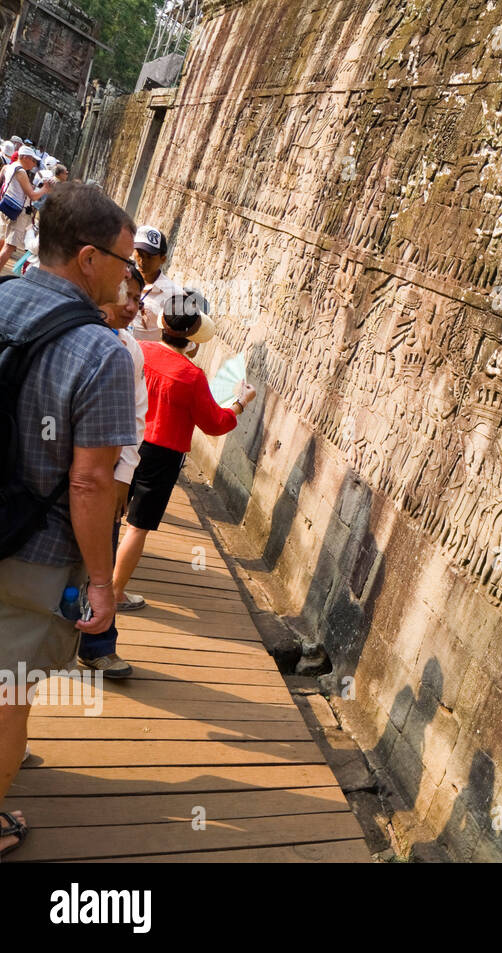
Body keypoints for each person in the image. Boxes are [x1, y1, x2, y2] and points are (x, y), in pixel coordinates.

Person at [0, 184, 138, 858]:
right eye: (125, 260)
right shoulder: (103, 352)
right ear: (89, 258)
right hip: (34, 548)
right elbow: (89, 481)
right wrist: (102, 581)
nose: (129, 274)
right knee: (7, 692)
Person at [112, 289, 256, 612]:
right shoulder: (192, 377)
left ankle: (89, 579)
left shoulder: (140, 351)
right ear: (192, 335)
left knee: (110, 512)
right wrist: (240, 404)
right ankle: (115, 592)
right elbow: (215, 423)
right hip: (163, 455)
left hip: (127, 440)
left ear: (162, 321)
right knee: (138, 525)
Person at [78, 264, 149, 677]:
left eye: (138, 299)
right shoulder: (72, 332)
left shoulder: (130, 348)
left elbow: (138, 415)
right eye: (125, 294)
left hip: (105, 475)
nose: (132, 306)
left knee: (100, 557)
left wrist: (125, 473)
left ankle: (98, 645)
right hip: (57, 470)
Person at [0, 147, 52, 268]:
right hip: (18, 212)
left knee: (3, 242)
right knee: (9, 247)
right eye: (33, 161)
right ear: (25, 157)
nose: (34, 164)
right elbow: (33, 196)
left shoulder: (9, 167)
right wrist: (45, 189)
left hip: (7, 206)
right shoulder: (21, 171)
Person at [130, 225, 178, 342]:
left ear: (163, 259)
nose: (142, 260)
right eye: (139, 253)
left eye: (149, 256)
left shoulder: (173, 295)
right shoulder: (120, 277)